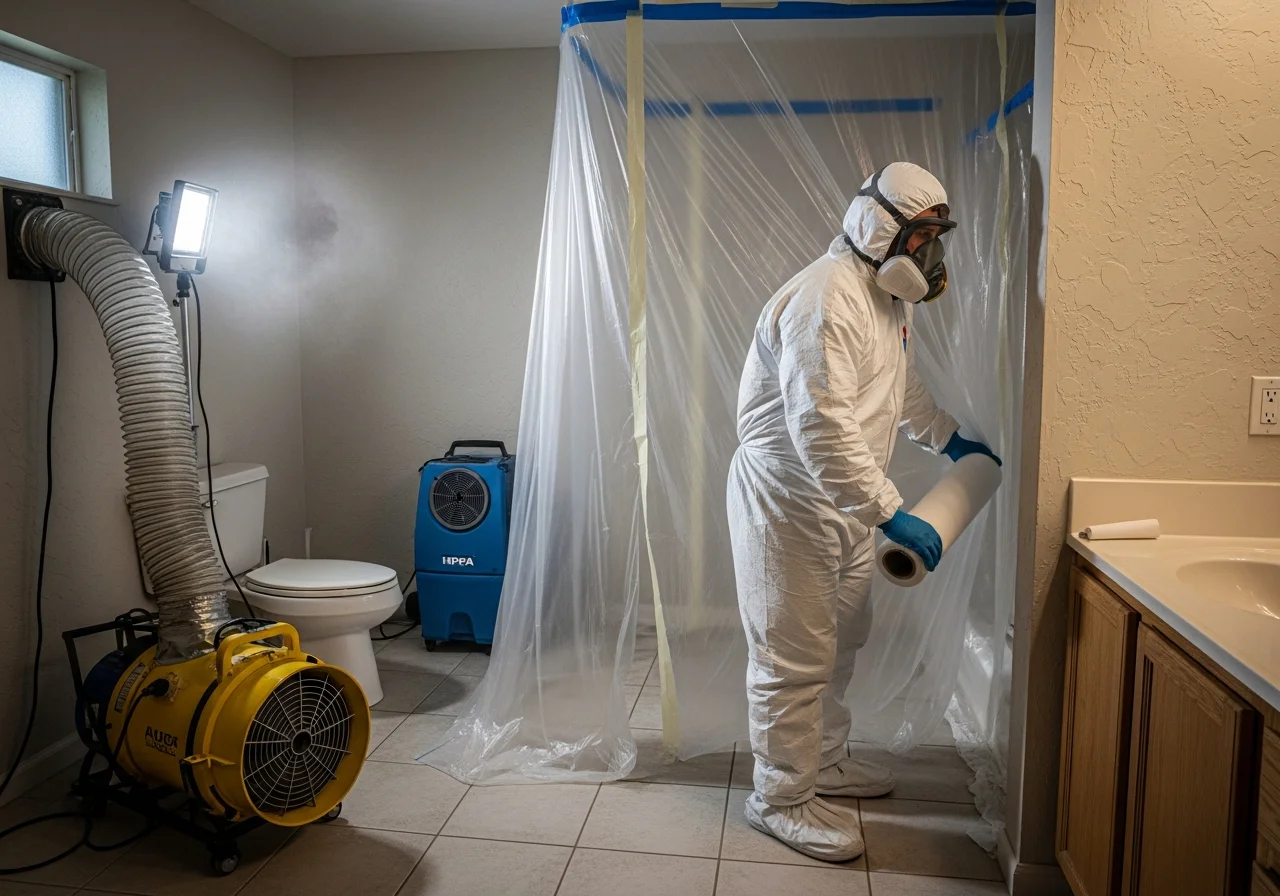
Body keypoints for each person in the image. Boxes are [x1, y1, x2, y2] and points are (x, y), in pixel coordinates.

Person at [725, 161, 999, 862]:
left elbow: (896, 390)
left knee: (843, 638)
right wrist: (891, 513)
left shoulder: (885, 297)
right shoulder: (826, 300)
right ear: (883, 229)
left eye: (936, 240)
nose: (930, 258)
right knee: (792, 656)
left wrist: (945, 436)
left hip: (842, 501)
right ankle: (780, 797)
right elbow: (821, 427)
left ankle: (828, 759)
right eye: (923, 238)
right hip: (787, 505)